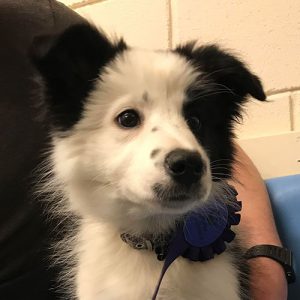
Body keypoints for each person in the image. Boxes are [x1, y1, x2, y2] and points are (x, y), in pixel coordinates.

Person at [0, 0, 287, 299]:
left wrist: (267, 257)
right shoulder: (95, 269)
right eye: (128, 118)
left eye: (193, 120)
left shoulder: (212, 252)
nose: (181, 147)